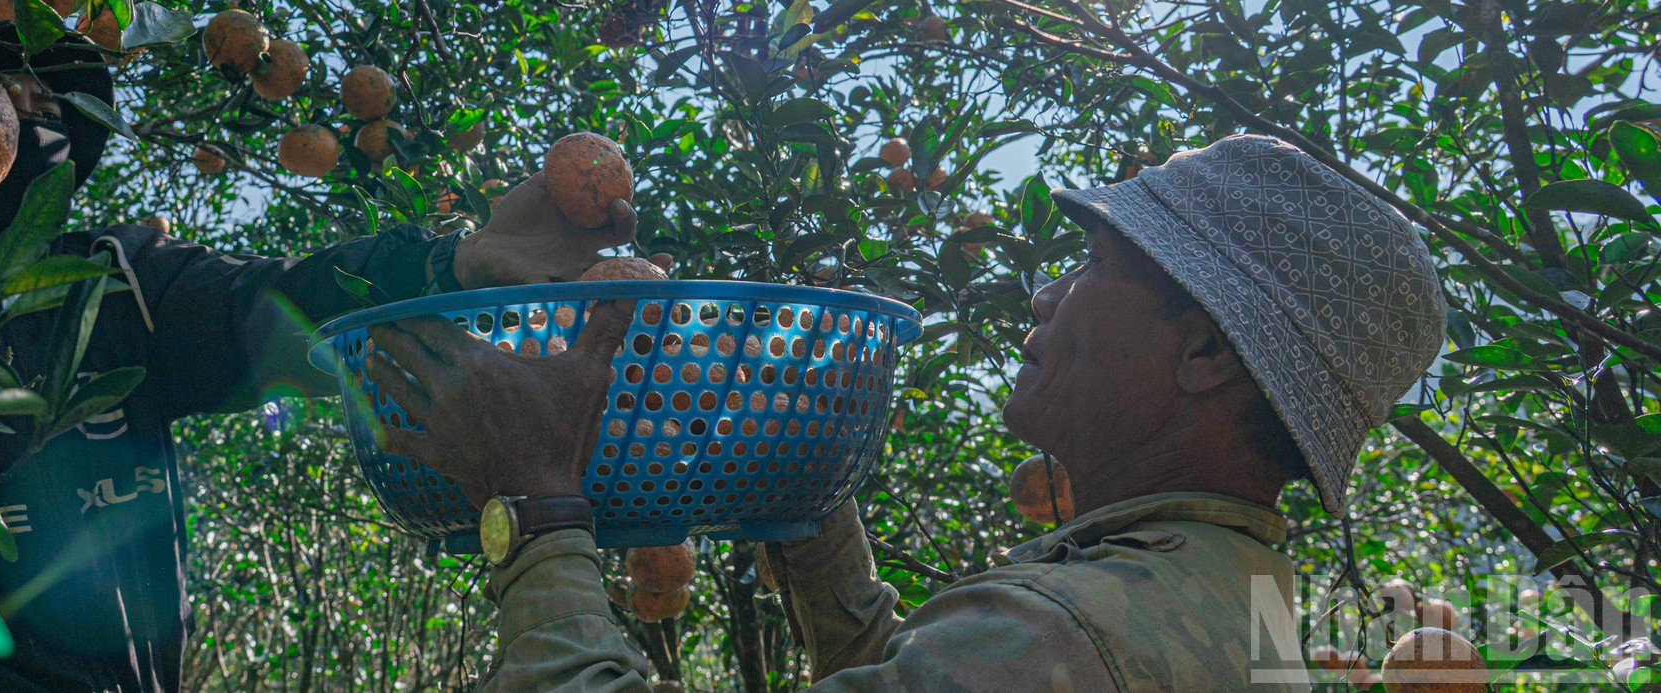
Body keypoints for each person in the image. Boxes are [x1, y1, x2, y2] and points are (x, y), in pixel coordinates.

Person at [367, 135, 1447, 691]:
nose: (1044, 295)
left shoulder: (1067, 637)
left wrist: (535, 499)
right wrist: (806, 502)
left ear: (1204, 351)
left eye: (1090, 265)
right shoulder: (1222, 604)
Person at [0, 25, 633, 693]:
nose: (24, 104)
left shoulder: (122, 285)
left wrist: (450, 260)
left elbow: (279, 301)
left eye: (36, 94)